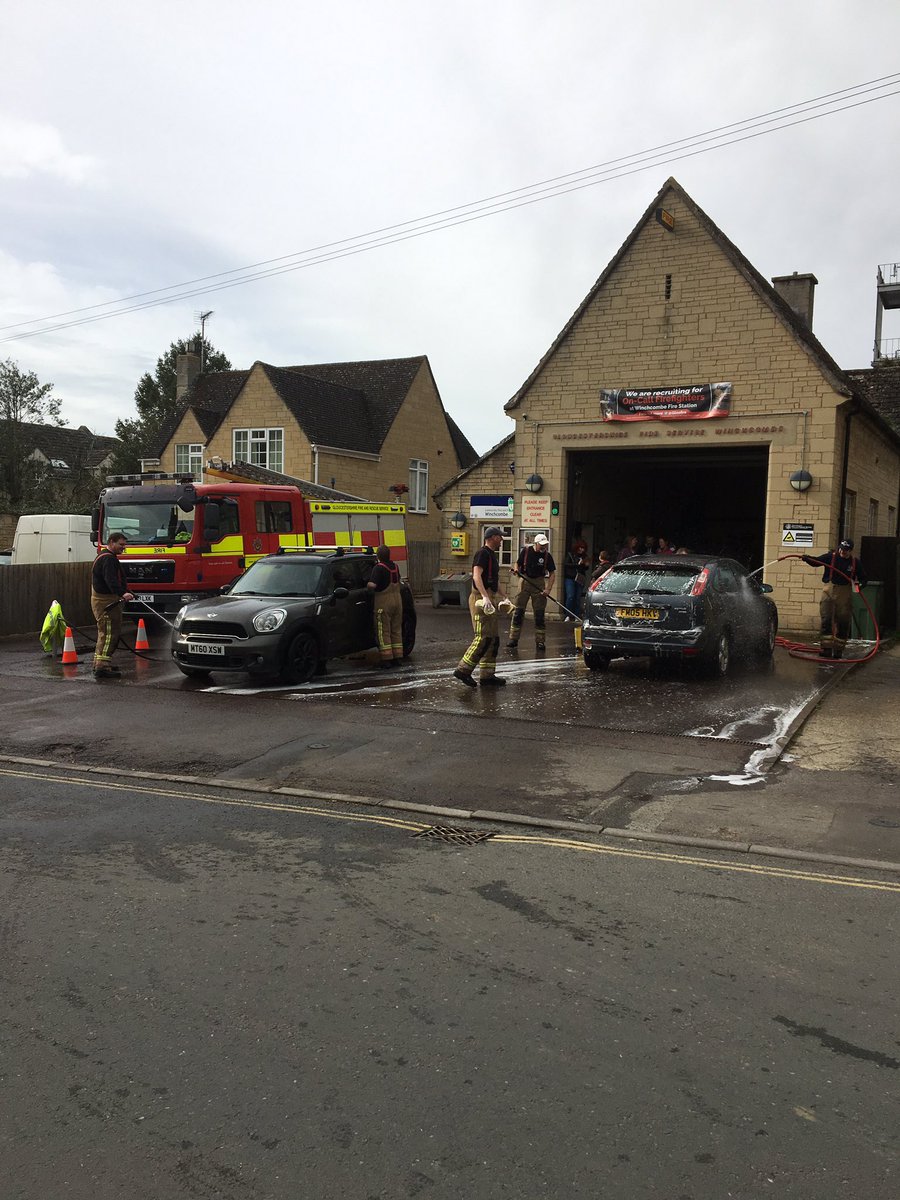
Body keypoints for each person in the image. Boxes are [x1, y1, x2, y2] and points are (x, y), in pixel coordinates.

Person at [453, 526, 510, 688]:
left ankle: (487, 675)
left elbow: (495, 580)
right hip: (480, 599)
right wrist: (484, 596)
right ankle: (463, 670)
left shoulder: (492, 555)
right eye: (500, 536)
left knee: (493, 638)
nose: (502, 540)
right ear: (492, 537)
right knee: (483, 636)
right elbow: (477, 576)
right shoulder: (482, 554)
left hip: (489, 598)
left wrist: (504, 596)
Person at [801, 537, 868, 659]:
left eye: (846, 550)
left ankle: (838, 650)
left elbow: (864, 578)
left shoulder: (855, 563)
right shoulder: (830, 557)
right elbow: (817, 562)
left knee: (843, 622)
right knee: (826, 619)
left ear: (851, 551)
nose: (843, 552)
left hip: (844, 594)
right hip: (828, 591)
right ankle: (826, 648)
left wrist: (859, 586)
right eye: (841, 549)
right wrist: (807, 559)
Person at [91, 532, 134, 679]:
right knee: (110, 634)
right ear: (111, 542)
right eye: (121, 545)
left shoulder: (106, 556)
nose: (124, 548)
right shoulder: (108, 559)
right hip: (106, 602)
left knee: (103, 633)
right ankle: (102, 667)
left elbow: (115, 578)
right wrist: (122, 593)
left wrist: (125, 590)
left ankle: (100, 661)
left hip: (105, 600)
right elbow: (110, 580)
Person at [507, 533, 556, 650]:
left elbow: (552, 573)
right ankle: (513, 639)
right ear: (536, 543)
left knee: (539, 614)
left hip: (539, 582)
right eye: (541, 545)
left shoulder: (547, 556)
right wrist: (516, 570)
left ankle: (540, 641)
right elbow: (517, 563)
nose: (544, 547)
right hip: (525, 581)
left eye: (545, 545)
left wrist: (548, 589)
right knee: (518, 611)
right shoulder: (526, 551)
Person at [367, 544, 403, 667]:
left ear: (378, 556)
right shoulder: (395, 567)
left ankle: (386, 658)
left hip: (384, 603)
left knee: (383, 631)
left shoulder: (378, 568)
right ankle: (398, 656)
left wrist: (367, 585)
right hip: (397, 602)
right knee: (396, 629)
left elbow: (372, 585)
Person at [562, 538, 590, 620]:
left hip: (580, 578)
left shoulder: (585, 557)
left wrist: (585, 565)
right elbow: (566, 564)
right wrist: (578, 564)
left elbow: (586, 569)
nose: (582, 550)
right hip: (570, 578)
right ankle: (568, 614)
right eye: (580, 548)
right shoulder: (570, 555)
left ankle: (576, 615)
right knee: (570, 596)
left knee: (578, 597)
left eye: (583, 548)